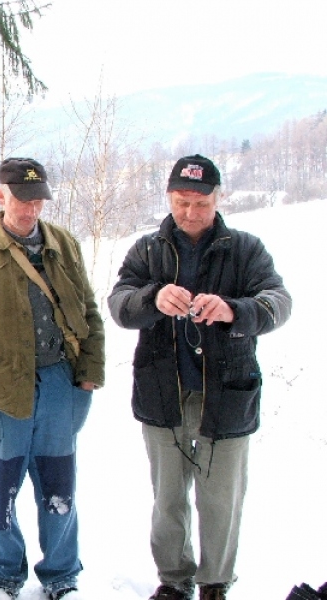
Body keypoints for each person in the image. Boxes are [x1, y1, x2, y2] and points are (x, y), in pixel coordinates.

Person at [107, 154, 292, 600]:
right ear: (169, 197)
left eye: (201, 203)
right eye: (181, 201)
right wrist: (152, 297)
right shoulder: (147, 250)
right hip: (162, 394)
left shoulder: (246, 249)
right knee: (167, 499)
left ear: (218, 198)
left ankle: (214, 582)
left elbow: (278, 300)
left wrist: (235, 310)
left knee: (220, 500)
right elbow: (118, 303)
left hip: (227, 395)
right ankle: (173, 580)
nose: (190, 212)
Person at [0, 157, 106, 599]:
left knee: (59, 488)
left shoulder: (63, 243)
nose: (31, 209)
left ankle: (62, 575)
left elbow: (89, 309)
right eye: (22, 199)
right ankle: (4, 575)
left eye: (38, 199)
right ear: (0, 195)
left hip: (61, 386)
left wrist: (90, 373)